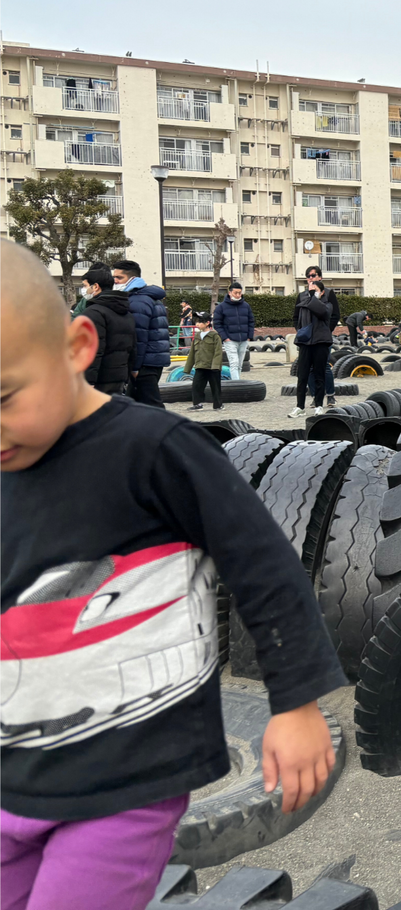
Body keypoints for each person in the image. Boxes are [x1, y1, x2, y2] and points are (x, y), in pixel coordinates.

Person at [0, 240, 345, 908]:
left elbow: (264, 565)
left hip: (126, 775)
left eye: (5, 396)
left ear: (77, 347)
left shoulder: (155, 451)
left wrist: (296, 704)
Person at [111, 260, 170, 409]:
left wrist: (135, 367)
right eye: (114, 277)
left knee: (152, 405)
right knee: (135, 405)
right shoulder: (148, 297)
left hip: (145, 362)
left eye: (119, 277)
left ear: (132, 278)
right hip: (153, 357)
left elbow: (138, 335)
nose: (115, 281)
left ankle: (170, 425)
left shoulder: (138, 300)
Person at [75, 265, 135, 397]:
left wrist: (88, 380)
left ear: (96, 286)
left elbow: (93, 350)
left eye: (85, 286)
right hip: (119, 376)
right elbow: (132, 347)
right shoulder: (125, 312)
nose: (84, 290)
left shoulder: (94, 313)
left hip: (99, 378)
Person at [288, 267, 339, 419]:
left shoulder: (327, 296)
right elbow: (296, 316)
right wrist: (301, 330)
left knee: (321, 371)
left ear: (320, 277)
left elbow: (329, 314)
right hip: (305, 341)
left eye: (313, 275)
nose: (310, 278)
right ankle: (300, 406)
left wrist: (326, 330)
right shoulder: (302, 296)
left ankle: (320, 403)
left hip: (321, 340)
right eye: (308, 276)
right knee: (302, 374)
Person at [183, 310, 225, 412]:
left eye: (200, 322)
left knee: (215, 387)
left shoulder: (215, 336)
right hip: (200, 366)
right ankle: (197, 404)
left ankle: (218, 405)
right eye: (196, 321)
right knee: (196, 386)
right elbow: (192, 353)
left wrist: (215, 366)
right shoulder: (197, 336)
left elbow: (218, 352)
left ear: (207, 323)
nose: (197, 324)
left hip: (212, 367)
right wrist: (187, 368)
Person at [212, 281, 255, 378]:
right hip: (230, 340)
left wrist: (249, 336)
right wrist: (225, 338)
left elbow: (251, 321)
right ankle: (236, 383)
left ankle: (236, 382)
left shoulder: (246, 306)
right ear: (230, 293)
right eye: (235, 293)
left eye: (240, 293)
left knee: (240, 364)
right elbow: (217, 323)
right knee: (234, 363)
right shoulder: (221, 307)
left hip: (244, 339)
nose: (238, 295)